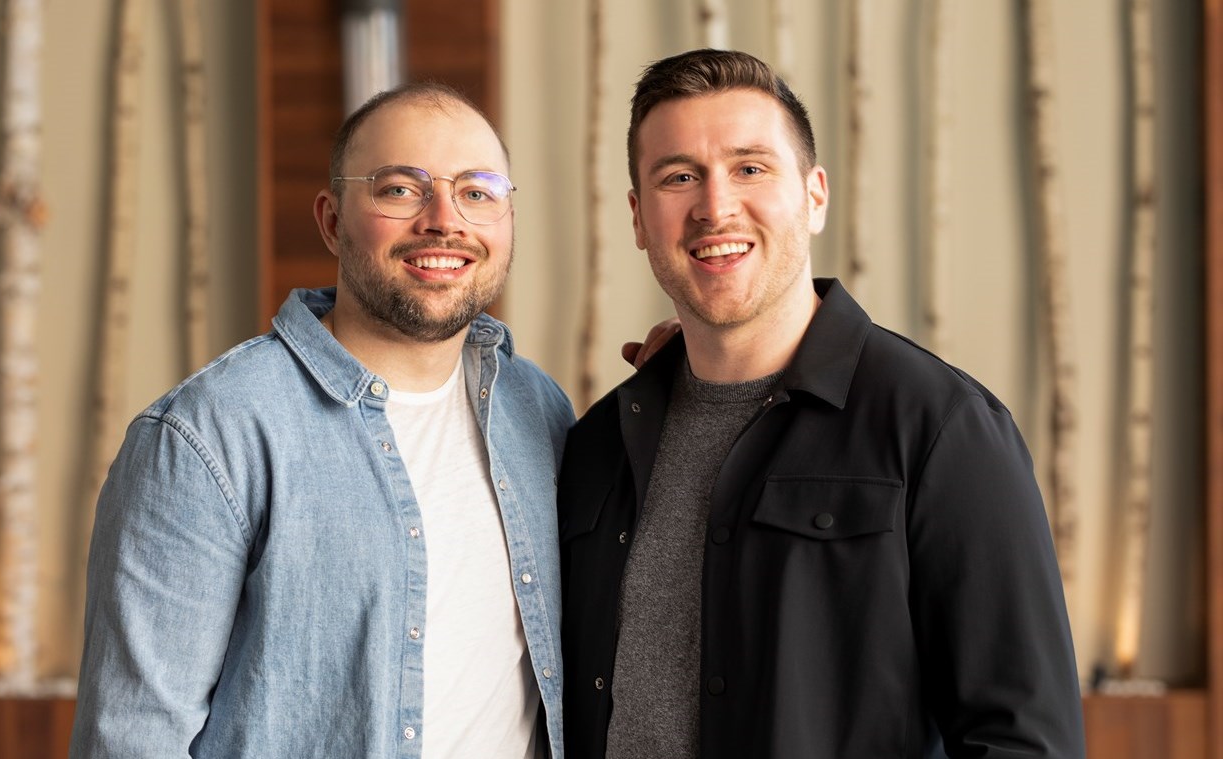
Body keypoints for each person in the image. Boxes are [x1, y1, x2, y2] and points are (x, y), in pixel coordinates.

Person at [558, 49, 1085, 758]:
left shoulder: (938, 427)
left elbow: (1023, 740)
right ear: (638, 218)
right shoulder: (598, 445)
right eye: (679, 177)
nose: (715, 206)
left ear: (814, 196)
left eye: (750, 168)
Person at [70, 82, 574, 759]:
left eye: (477, 192)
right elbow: (134, 739)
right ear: (332, 221)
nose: (444, 221)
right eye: (401, 189)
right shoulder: (208, 435)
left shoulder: (538, 409)